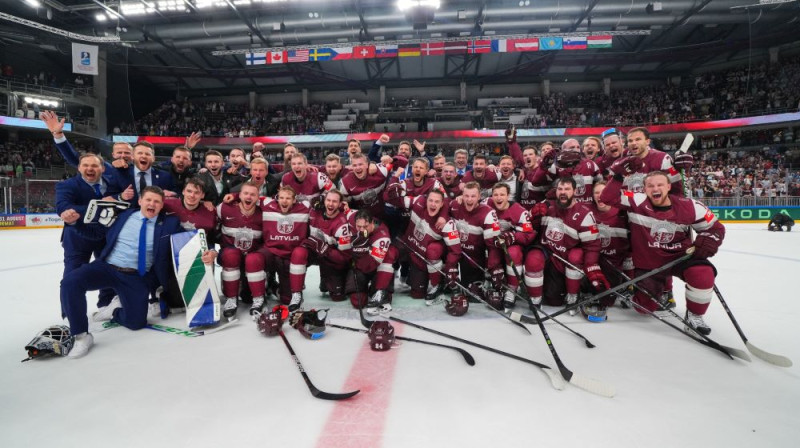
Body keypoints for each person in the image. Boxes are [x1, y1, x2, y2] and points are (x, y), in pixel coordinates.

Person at [61, 187, 204, 358]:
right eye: (148, 200)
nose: (152, 204)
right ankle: (81, 336)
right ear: (140, 201)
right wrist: (74, 223)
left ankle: (115, 310)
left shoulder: (170, 223)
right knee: (70, 282)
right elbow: (96, 233)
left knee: (136, 322)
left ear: (161, 205)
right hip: (107, 267)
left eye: (157, 201)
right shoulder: (121, 216)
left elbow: (189, 241)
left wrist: (208, 251)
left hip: (135, 276)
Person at [600, 169, 725, 335]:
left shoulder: (690, 206)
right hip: (649, 263)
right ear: (644, 189)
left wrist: (709, 240)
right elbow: (607, 197)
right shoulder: (636, 199)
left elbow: (716, 228)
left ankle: (694, 316)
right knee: (644, 309)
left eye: (660, 184)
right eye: (650, 185)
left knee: (703, 274)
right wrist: (618, 176)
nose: (655, 188)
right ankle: (640, 295)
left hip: (681, 257)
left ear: (668, 186)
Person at [56, 153, 132, 314]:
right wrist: (103, 204)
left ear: (103, 169)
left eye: (94, 165)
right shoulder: (67, 185)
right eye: (86, 165)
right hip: (77, 238)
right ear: (79, 168)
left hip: (105, 237)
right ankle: (70, 315)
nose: (90, 168)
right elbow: (63, 206)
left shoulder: (113, 183)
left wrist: (115, 199)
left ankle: (106, 305)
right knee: (72, 275)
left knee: (108, 271)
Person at [524, 177, 606, 313]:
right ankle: (535, 299)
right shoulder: (547, 205)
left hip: (565, 258)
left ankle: (573, 295)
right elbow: (528, 226)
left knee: (576, 256)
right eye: (560, 189)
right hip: (547, 252)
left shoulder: (585, 214)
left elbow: (592, 245)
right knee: (533, 258)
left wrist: (592, 266)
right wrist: (533, 215)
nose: (563, 192)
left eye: (567, 189)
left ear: (575, 191)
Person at [394, 190, 461, 302]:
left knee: (418, 294)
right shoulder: (418, 202)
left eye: (436, 202)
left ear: (442, 204)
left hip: (423, 259)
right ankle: (384, 287)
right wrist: (394, 180)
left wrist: (450, 269)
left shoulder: (448, 224)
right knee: (394, 249)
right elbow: (394, 199)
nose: (433, 204)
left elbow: (456, 251)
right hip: (410, 248)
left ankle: (437, 283)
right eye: (430, 200)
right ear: (426, 201)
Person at [290, 189, 353, 303]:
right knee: (298, 253)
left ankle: (327, 278)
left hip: (330, 257)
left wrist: (324, 249)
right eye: (328, 200)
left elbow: (345, 258)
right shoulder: (313, 211)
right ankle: (296, 292)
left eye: (334, 201)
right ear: (324, 201)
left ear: (340, 204)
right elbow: (290, 201)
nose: (330, 204)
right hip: (312, 250)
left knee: (337, 297)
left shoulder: (343, 224)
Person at [216, 182, 265, 319]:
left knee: (253, 258)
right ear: (240, 196)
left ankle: (258, 298)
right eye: (245, 194)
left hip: (252, 258)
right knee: (231, 254)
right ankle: (231, 298)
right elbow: (211, 225)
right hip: (230, 255)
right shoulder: (224, 208)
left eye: (253, 194)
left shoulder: (263, 213)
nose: (249, 197)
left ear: (258, 197)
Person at [257, 186, 310, 312]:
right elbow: (249, 195)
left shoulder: (305, 207)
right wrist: (235, 196)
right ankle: (264, 283)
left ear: (294, 200)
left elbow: (326, 201)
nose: (284, 201)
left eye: (287, 198)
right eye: (281, 198)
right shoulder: (267, 203)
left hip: (290, 256)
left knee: (286, 299)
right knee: (254, 259)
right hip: (272, 252)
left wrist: (343, 207)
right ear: (277, 198)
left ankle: (273, 287)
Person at [487, 183, 536, 309]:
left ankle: (512, 289)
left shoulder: (519, 211)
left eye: (502, 194)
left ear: (508, 196)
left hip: (512, 245)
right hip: (493, 244)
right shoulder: (486, 203)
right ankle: (491, 281)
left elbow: (529, 234)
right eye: (495, 195)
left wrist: (513, 237)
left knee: (513, 253)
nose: (498, 198)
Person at [345, 210, 398, 315]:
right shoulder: (351, 218)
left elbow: (369, 266)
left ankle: (381, 290)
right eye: (358, 226)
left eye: (365, 227)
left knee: (390, 253)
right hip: (359, 265)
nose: (361, 230)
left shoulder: (382, 237)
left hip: (375, 267)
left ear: (372, 223)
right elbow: (346, 210)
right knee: (358, 302)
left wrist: (361, 251)